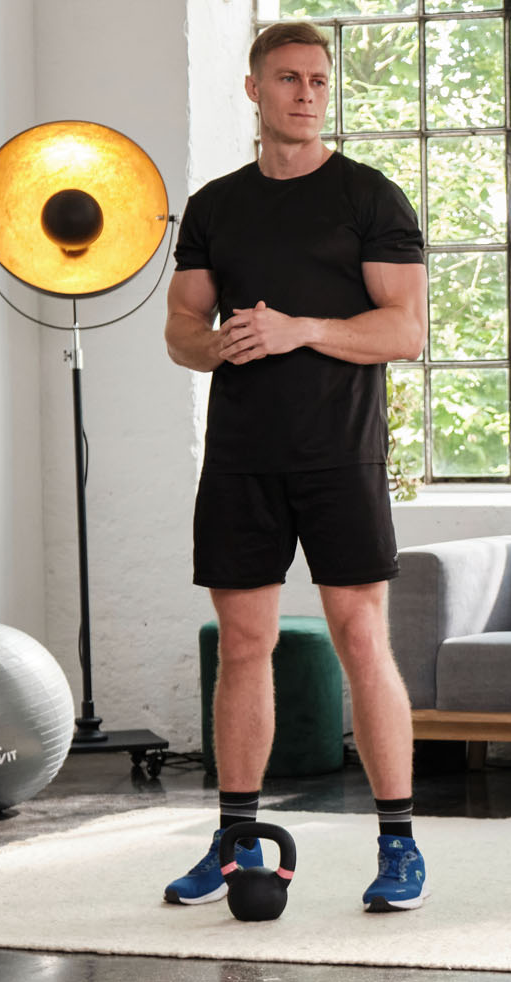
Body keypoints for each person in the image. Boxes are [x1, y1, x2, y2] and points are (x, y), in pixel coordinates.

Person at [162, 21, 431, 913]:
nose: (307, 93)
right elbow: (180, 334)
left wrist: (304, 328)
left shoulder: (368, 197)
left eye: (319, 79)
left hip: (339, 455)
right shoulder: (217, 206)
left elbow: (406, 329)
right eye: (288, 78)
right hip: (242, 458)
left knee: (361, 638)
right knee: (244, 646)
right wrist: (222, 346)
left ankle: (398, 843)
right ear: (255, 91)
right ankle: (236, 837)